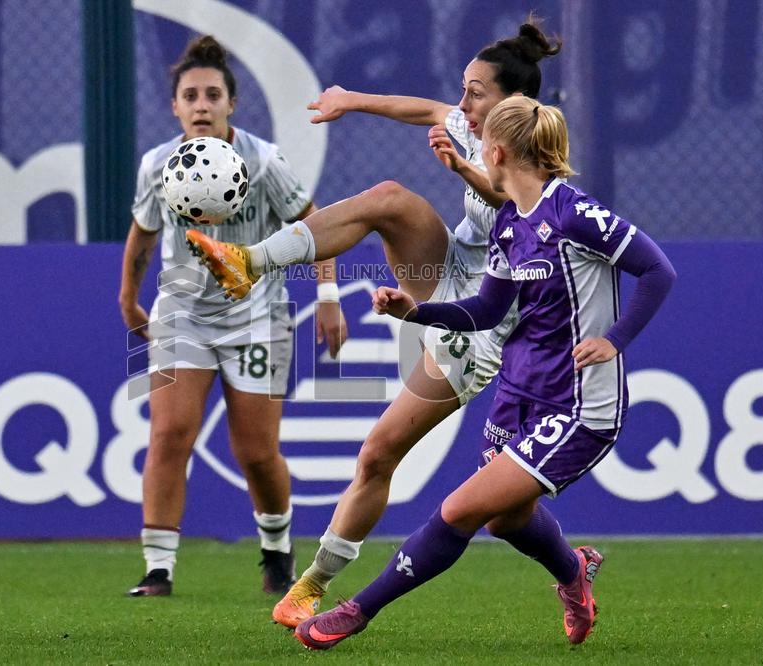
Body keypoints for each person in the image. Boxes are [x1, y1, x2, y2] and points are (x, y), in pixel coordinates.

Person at [186, 17, 567, 627]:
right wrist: (351, 101)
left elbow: (520, 207)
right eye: (464, 89)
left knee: (377, 455)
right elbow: (421, 109)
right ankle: (249, 263)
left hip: (478, 326)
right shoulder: (471, 126)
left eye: (475, 92)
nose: (461, 103)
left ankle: (310, 585)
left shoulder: (539, 160)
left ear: (513, 104)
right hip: (444, 274)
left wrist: (466, 176)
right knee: (390, 196)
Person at [293, 95, 677, 650]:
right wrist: (415, 312)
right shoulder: (508, 223)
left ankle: (354, 611)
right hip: (518, 393)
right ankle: (573, 570)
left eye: (481, 139)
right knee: (504, 519)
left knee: (461, 510)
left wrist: (613, 341)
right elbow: (485, 313)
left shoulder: (574, 212)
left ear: (495, 152)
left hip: (577, 408)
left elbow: (657, 270)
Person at [119, 35, 348, 597]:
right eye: (190, 95)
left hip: (257, 317)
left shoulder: (263, 161)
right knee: (170, 433)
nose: (201, 104)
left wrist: (327, 295)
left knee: (255, 451)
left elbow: (314, 224)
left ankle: (276, 552)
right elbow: (144, 233)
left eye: (212, 95)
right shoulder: (156, 166)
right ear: (174, 106)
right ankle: (158, 569)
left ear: (231, 105)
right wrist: (127, 296)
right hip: (183, 315)